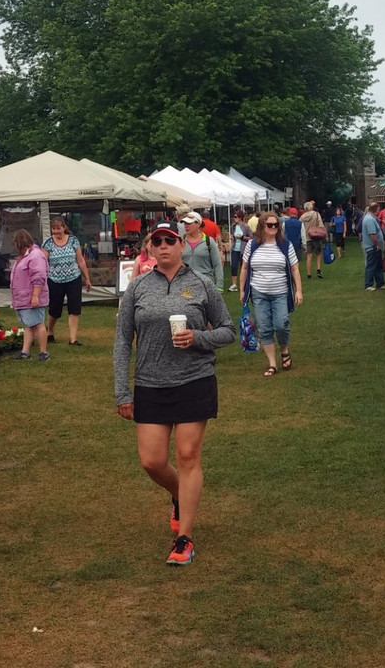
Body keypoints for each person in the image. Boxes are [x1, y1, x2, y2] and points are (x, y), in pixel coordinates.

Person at [113, 220, 236, 566]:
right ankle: (178, 495)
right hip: (150, 383)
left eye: (170, 240)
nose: (164, 245)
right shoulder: (137, 288)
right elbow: (123, 341)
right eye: (158, 241)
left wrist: (197, 338)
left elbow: (228, 331)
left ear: (182, 245)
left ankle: (185, 538)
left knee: (187, 456)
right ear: (150, 248)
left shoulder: (202, 285)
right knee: (151, 461)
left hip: (194, 380)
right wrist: (123, 391)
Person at [240, 211, 303, 376]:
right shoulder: (252, 245)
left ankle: (284, 348)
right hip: (258, 292)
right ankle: (272, 364)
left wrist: (298, 290)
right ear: (262, 226)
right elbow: (245, 268)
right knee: (264, 327)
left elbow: (295, 268)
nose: (274, 227)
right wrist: (241, 290)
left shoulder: (285, 245)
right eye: (270, 225)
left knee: (281, 324)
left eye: (276, 225)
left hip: (280, 292)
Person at [42, 216, 92, 346]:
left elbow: (80, 261)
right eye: (54, 229)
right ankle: (50, 331)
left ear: (64, 228)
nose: (56, 231)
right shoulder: (48, 243)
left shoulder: (73, 241)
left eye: (58, 228)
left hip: (73, 278)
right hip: (54, 280)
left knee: (74, 309)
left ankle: (73, 339)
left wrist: (87, 278)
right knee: (55, 310)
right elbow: (42, 263)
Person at [10, 229, 50, 361]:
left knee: (38, 323)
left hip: (32, 297)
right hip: (23, 297)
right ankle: (25, 352)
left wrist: (35, 296)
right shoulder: (25, 256)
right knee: (29, 325)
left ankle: (43, 352)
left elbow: (39, 276)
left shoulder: (35, 256)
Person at [180, 211, 224, 292]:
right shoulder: (181, 241)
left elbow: (217, 264)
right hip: (186, 284)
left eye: (189, 223)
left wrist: (219, 286)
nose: (186, 226)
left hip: (205, 284)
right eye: (185, 223)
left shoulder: (209, 241)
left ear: (198, 224)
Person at [361, 202, 385, 291]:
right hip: (372, 247)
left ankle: (380, 283)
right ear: (375, 209)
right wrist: (377, 244)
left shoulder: (371, 218)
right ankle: (368, 284)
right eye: (378, 209)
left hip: (375, 247)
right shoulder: (369, 220)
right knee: (371, 266)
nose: (379, 210)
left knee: (378, 266)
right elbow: (372, 235)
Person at [300, 201, 327, 279]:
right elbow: (320, 224)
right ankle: (318, 269)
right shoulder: (316, 214)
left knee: (309, 255)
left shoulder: (302, 217)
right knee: (318, 253)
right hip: (316, 236)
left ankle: (309, 273)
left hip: (307, 237)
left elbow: (300, 226)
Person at [229, 209, 250, 292]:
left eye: (235, 217)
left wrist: (242, 238)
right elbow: (232, 234)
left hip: (243, 249)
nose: (234, 218)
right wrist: (233, 238)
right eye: (234, 217)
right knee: (233, 266)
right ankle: (234, 284)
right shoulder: (233, 226)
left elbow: (251, 238)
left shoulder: (246, 226)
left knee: (243, 267)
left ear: (240, 218)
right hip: (235, 248)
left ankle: (243, 284)